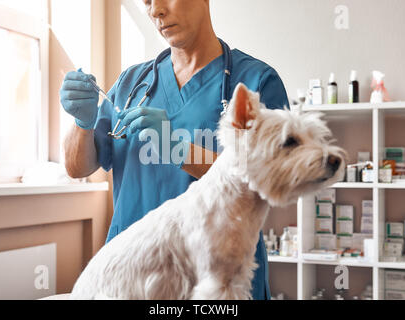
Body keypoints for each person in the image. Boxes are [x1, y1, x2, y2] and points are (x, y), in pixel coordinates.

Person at [60, 0, 289, 300]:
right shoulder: (131, 84)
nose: (155, 11)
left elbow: (271, 182)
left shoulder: (256, 82)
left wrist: (179, 149)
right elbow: (78, 167)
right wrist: (82, 122)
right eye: (146, 2)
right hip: (136, 275)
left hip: (217, 277)